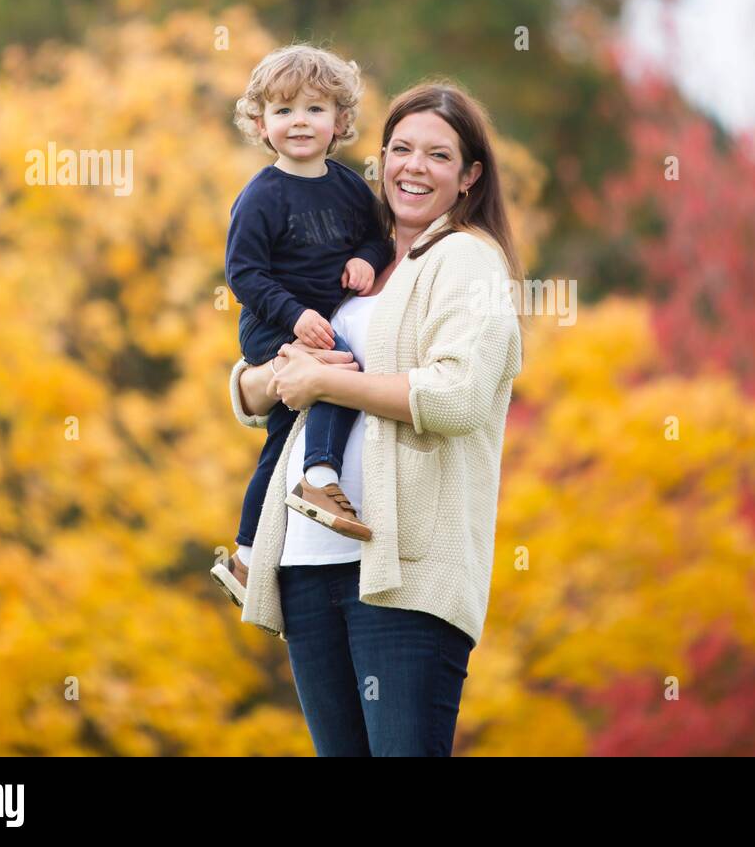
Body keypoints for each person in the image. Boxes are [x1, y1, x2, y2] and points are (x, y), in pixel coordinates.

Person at [228, 82, 524, 755]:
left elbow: (456, 397)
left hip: (403, 571)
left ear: (469, 175)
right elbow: (280, 377)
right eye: (400, 150)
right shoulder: (358, 262)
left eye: (438, 155)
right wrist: (267, 382)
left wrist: (326, 382)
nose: (414, 168)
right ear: (380, 158)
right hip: (307, 563)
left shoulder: (467, 260)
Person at [212, 45, 393, 608]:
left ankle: (244, 557)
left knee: (275, 445)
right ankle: (320, 476)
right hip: (273, 325)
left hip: (324, 321)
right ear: (261, 123)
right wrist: (295, 317)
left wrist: (365, 258)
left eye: (315, 110)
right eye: (284, 111)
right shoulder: (261, 196)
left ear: (339, 122)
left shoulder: (346, 187)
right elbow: (243, 274)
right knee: (339, 368)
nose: (299, 123)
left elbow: (376, 237)